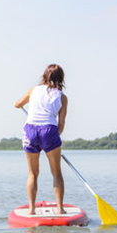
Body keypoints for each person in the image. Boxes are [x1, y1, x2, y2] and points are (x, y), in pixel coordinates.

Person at [14, 64, 68, 215]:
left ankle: (31, 210)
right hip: (49, 130)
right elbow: (61, 123)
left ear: (44, 76)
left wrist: (16, 104)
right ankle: (60, 209)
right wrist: (55, 139)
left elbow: (18, 104)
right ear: (61, 78)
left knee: (32, 173)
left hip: (30, 130)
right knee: (56, 172)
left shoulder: (33, 90)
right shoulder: (62, 97)